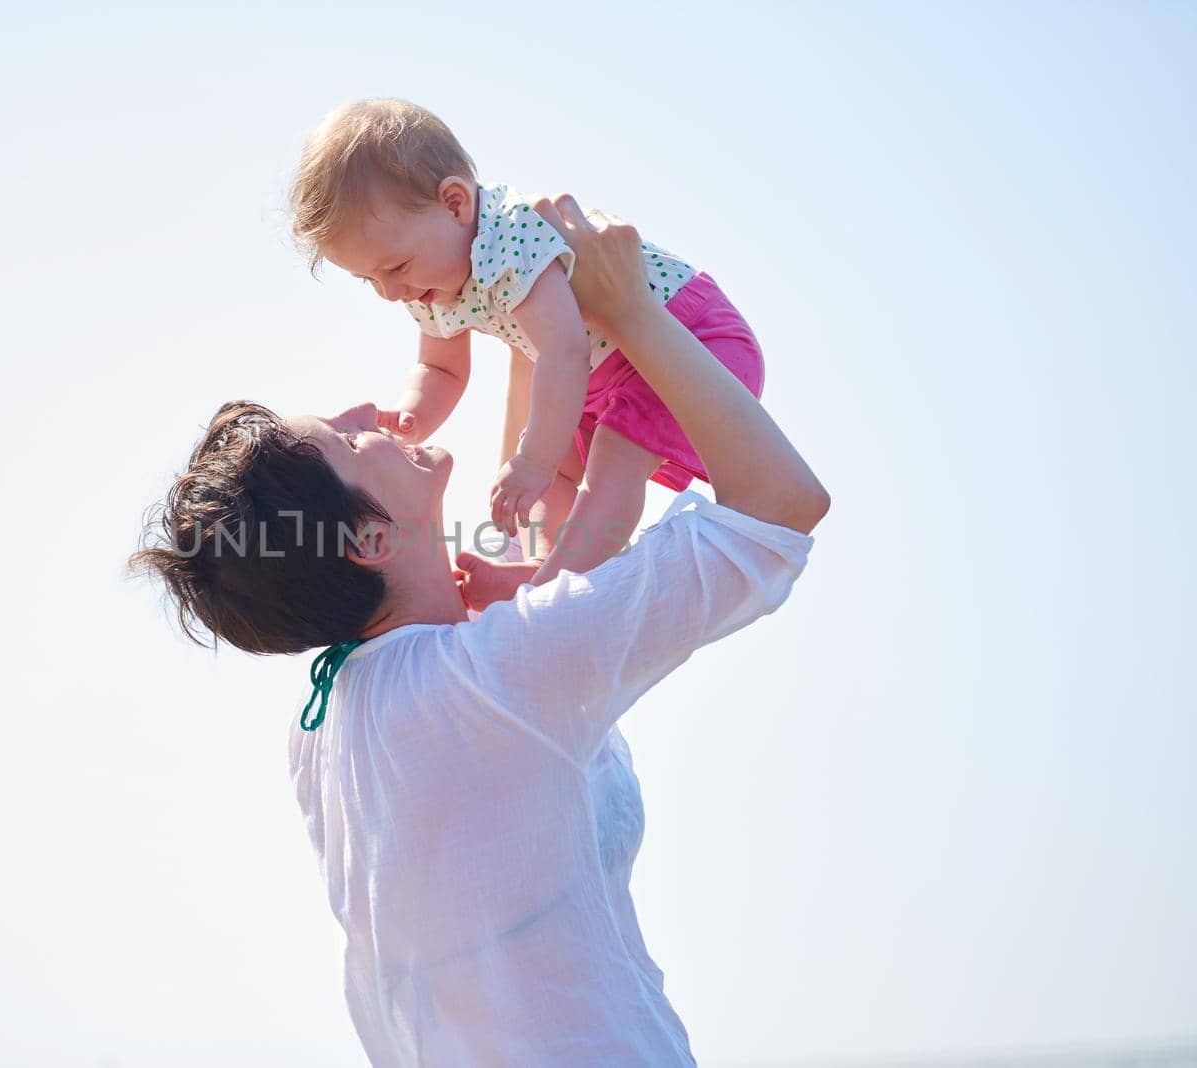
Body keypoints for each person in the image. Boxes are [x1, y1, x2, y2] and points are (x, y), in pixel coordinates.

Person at [129, 195, 829, 1066]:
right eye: (347, 444)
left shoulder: (332, 725)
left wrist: (539, 314)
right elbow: (781, 509)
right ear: (370, 541)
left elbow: (547, 556)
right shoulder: (495, 676)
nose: (364, 412)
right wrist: (638, 315)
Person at [287, 98, 766, 609]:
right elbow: (439, 367)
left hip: (686, 338)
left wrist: (530, 459)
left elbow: (563, 349)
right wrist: (413, 415)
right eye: (369, 280)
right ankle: (542, 564)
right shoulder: (429, 280)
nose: (389, 291)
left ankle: (551, 596)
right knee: (557, 470)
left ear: (455, 204)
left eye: (395, 266)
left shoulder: (512, 236)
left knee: (606, 463)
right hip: (603, 374)